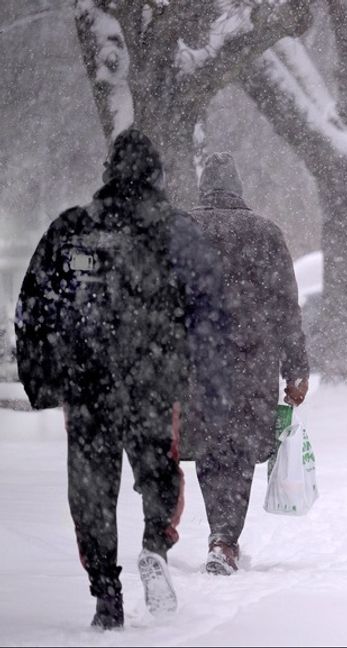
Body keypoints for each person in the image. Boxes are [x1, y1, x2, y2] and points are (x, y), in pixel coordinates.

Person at [15, 129, 227, 629]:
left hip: (85, 386)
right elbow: (211, 311)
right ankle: (156, 542)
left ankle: (105, 593)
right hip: (153, 380)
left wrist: (42, 380)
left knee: (90, 489)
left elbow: (31, 310)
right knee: (159, 471)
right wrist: (210, 381)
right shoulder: (177, 232)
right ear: (156, 176)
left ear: (108, 173)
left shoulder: (71, 229)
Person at [184, 152, 309, 576]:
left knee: (210, 449)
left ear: (204, 186)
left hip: (199, 364)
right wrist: (296, 368)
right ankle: (225, 538)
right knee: (237, 453)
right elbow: (285, 308)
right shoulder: (266, 233)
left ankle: (219, 534)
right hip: (252, 364)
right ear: (238, 188)